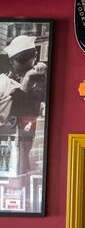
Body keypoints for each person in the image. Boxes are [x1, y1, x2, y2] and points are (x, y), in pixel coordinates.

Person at [1, 35, 47, 174]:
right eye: (19, 71)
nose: (22, 74)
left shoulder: (44, 74)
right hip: (16, 137)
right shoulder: (3, 83)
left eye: (27, 69)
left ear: (35, 55)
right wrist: (26, 82)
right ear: (11, 62)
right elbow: (15, 111)